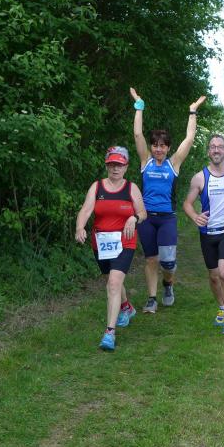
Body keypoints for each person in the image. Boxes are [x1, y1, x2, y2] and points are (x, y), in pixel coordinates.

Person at [130, 87, 206, 313]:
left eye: (162, 145)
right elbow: (137, 135)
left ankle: (168, 283)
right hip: (146, 218)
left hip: (167, 219)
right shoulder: (145, 161)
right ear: (151, 147)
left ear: (168, 147)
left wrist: (192, 112)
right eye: (155, 145)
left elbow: (189, 139)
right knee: (151, 259)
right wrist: (139, 106)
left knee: (168, 263)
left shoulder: (174, 164)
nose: (158, 149)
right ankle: (152, 298)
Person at [75, 146, 147, 351]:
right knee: (111, 281)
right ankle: (126, 307)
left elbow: (143, 213)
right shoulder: (97, 187)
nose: (115, 168)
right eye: (112, 164)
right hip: (101, 243)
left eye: (119, 165)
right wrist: (80, 227)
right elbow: (86, 210)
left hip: (125, 241)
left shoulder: (131, 188)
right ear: (107, 166)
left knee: (114, 283)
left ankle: (109, 333)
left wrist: (134, 218)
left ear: (126, 167)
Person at [182, 134, 224, 336]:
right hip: (208, 233)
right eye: (213, 147)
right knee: (213, 277)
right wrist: (195, 216)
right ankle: (222, 307)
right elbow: (187, 204)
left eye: (220, 146)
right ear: (208, 152)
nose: (217, 150)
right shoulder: (199, 178)